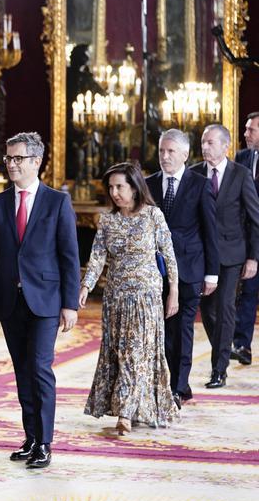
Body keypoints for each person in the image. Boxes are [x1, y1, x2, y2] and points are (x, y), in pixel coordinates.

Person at [0, 132, 80, 469]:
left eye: (17, 159)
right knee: (21, 370)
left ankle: (44, 442)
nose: (11, 164)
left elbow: (69, 257)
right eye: (9, 158)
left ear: (35, 161)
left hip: (45, 300)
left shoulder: (57, 202)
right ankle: (30, 437)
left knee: (40, 368)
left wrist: (69, 304)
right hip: (8, 302)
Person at [79, 162, 180, 435]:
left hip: (146, 298)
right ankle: (133, 407)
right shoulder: (108, 221)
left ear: (135, 188)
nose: (114, 192)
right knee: (120, 353)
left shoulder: (153, 216)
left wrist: (174, 293)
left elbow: (169, 256)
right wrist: (86, 287)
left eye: (119, 186)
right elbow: (98, 257)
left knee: (136, 352)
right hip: (116, 299)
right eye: (110, 187)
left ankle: (125, 412)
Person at [146, 129, 220, 404]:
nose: (164, 156)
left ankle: (178, 387)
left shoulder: (200, 185)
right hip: (154, 272)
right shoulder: (148, 184)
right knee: (161, 332)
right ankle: (165, 384)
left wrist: (212, 273)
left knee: (182, 330)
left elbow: (210, 231)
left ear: (185, 155)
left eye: (171, 152)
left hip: (189, 270)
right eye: (162, 151)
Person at [189, 124, 259, 389]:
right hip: (203, 255)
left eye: (210, 143)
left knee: (226, 306)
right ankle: (223, 345)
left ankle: (219, 369)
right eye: (203, 142)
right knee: (207, 309)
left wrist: (254, 257)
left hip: (232, 254)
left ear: (225, 146)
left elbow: (255, 219)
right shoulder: (194, 173)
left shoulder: (240, 174)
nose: (204, 147)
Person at [232, 111, 259, 366]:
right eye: (246, 129)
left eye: (251, 130)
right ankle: (242, 345)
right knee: (247, 292)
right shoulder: (241, 158)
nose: (246, 134)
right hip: (247, 236)